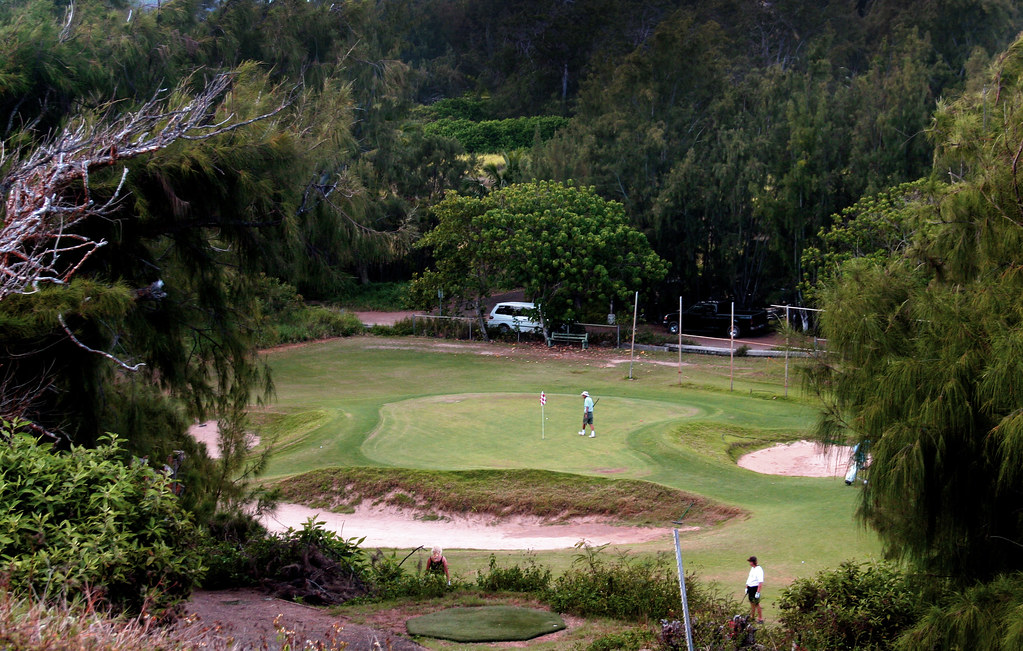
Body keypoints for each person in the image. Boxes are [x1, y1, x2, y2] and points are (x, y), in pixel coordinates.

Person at [745, 555, 764, 623]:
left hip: (755, 588)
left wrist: (758, 592)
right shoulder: (752, 569)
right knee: (751, 603)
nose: (750, 563)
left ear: (753, 562)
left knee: (756, 604)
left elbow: (760, 582)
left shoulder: (759, 570)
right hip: (750, 587)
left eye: (750, 562)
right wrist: (747, 587)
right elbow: (749, 579)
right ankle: (752, 617)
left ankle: (760, 618)